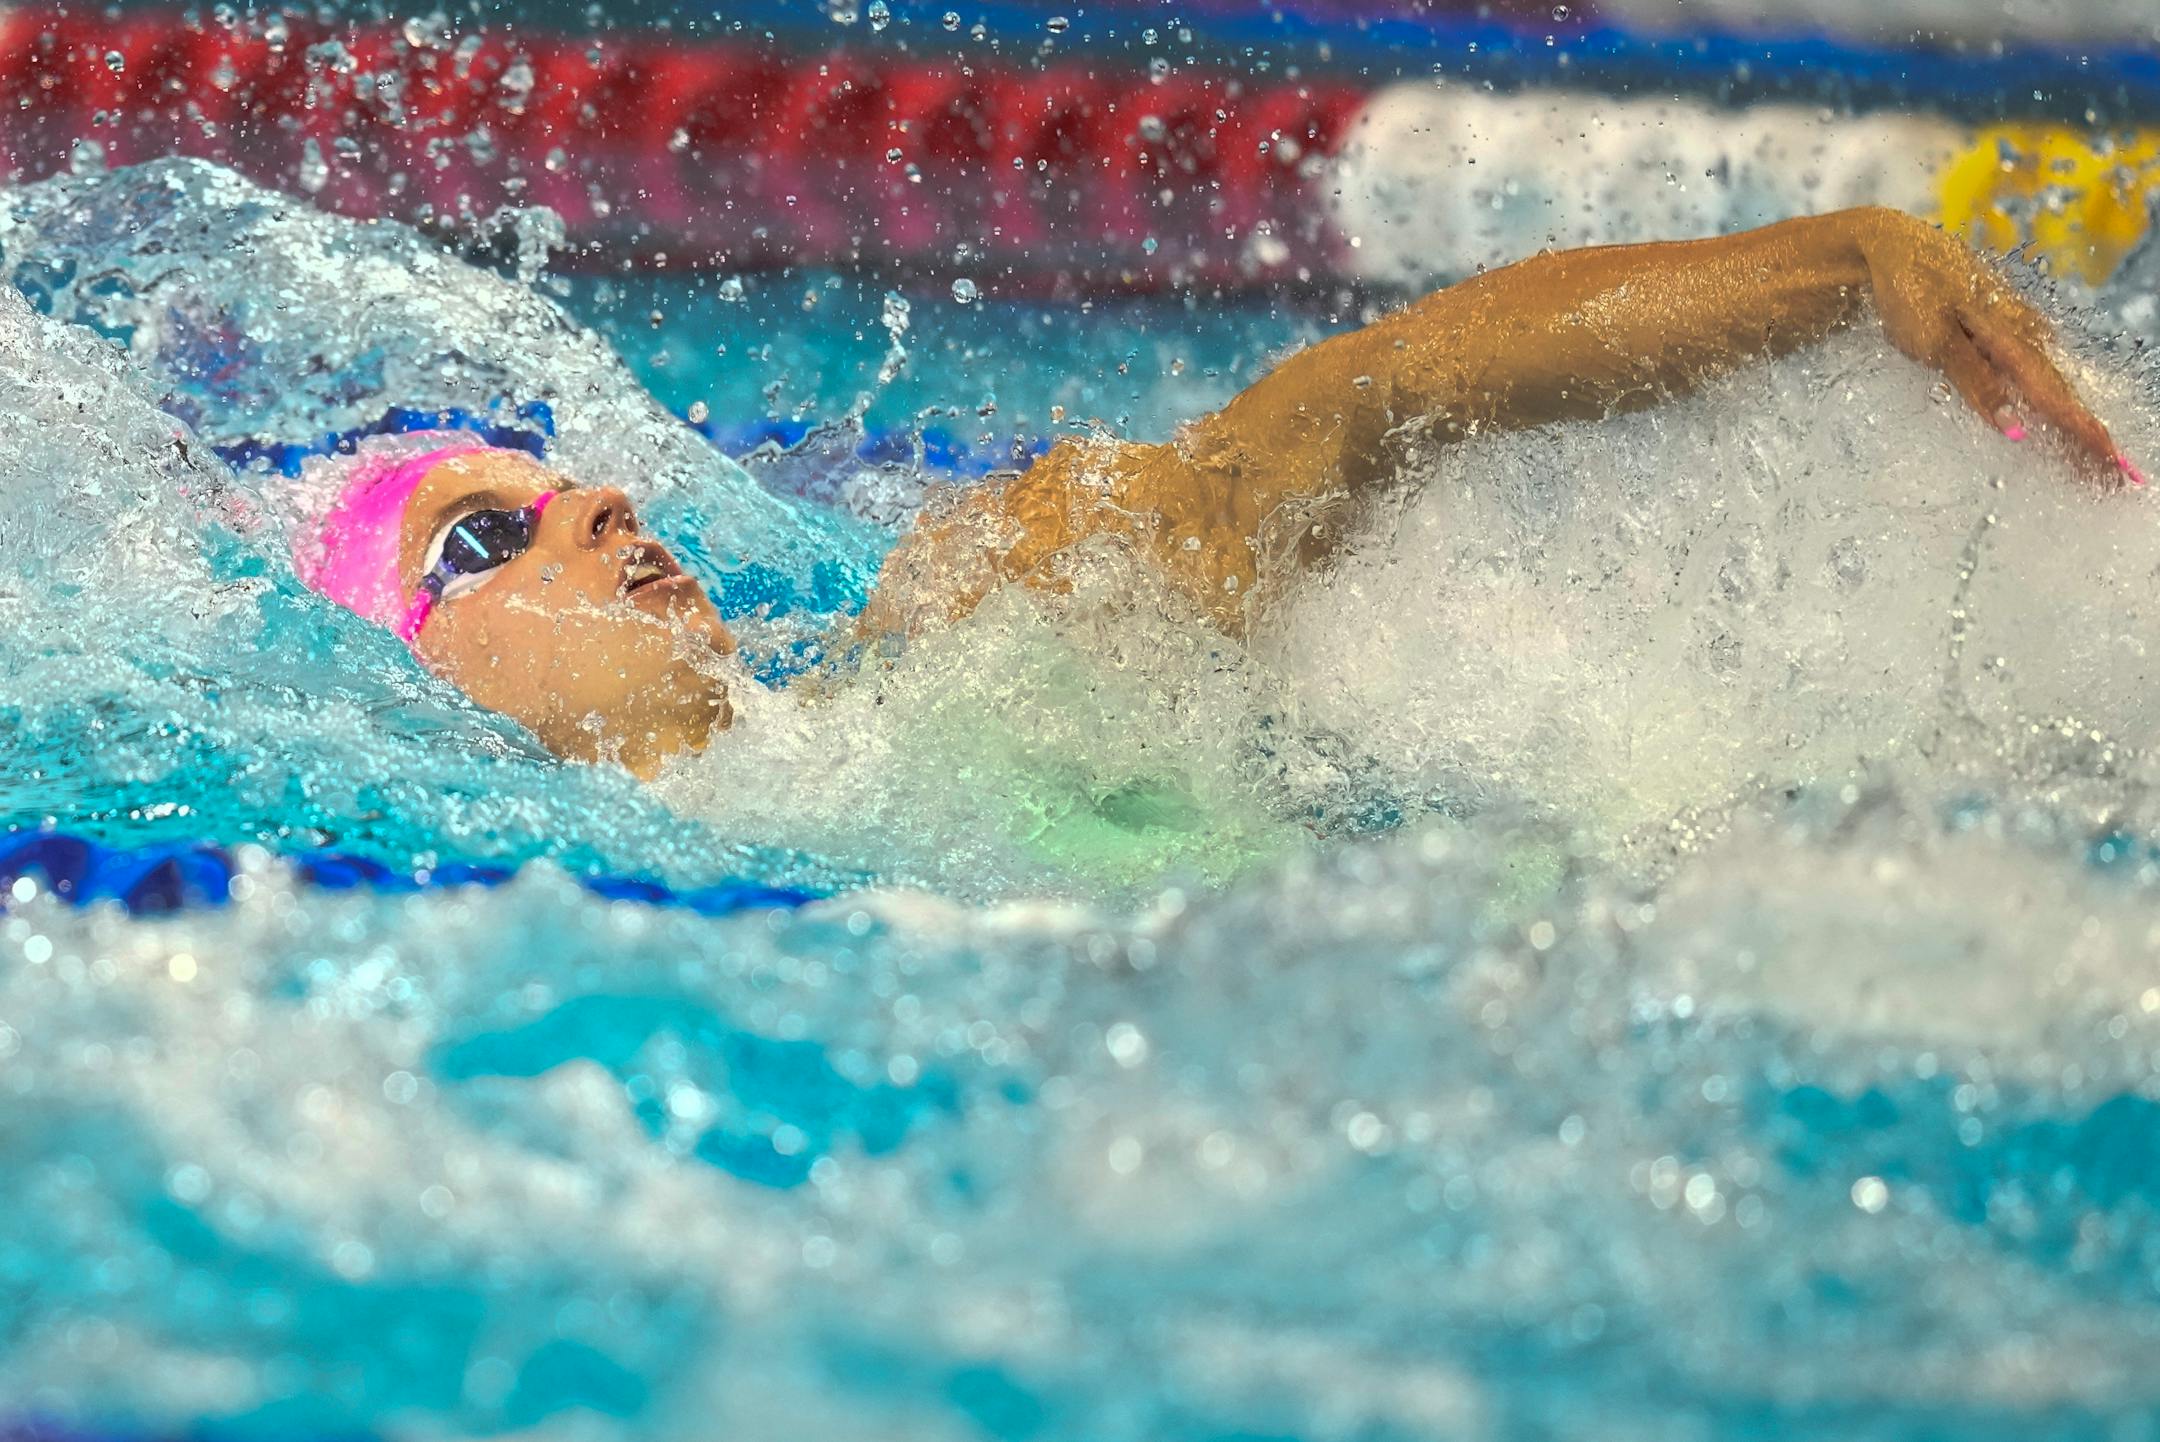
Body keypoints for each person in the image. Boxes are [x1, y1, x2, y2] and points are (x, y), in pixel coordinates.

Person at [291, 206, 2134, 779]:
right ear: (402, 678)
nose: (599, 507)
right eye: (486, 535)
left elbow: (1355, 407)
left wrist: (1835, 268)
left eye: (565, 484)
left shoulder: (972, 623)